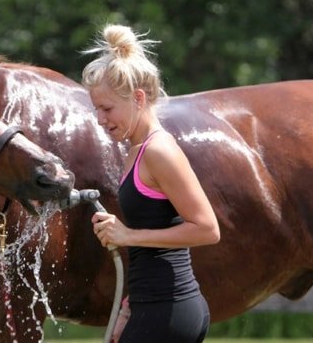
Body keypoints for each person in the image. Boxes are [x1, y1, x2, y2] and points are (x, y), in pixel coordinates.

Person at [81, 24, 221, 343]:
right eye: (96, 109)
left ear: (138, 98)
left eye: (107, 108)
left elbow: (207, 229)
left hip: (169, 309)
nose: (100, 119)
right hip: (151, 307)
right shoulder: (137, 151)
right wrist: (128, 310)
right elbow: (150, 246)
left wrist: (129, 235)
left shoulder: (159, 150)